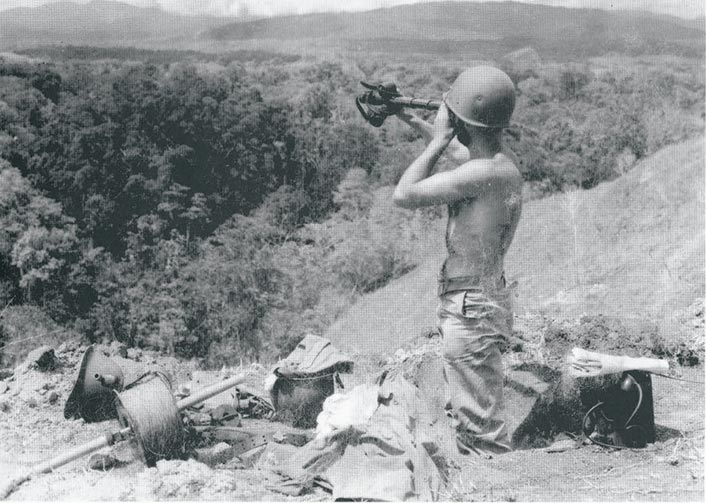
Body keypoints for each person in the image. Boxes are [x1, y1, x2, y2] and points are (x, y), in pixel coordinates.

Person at [392, 66, 522, 456]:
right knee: (474, 409)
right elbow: (460, 152)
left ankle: (495, 489)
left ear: (462, 122)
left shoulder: (481, 173)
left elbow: (404, 193)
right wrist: (410, 117)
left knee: (483, 436)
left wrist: (435, 140)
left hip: (471, 308)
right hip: (482, 298)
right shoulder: (499, 162)